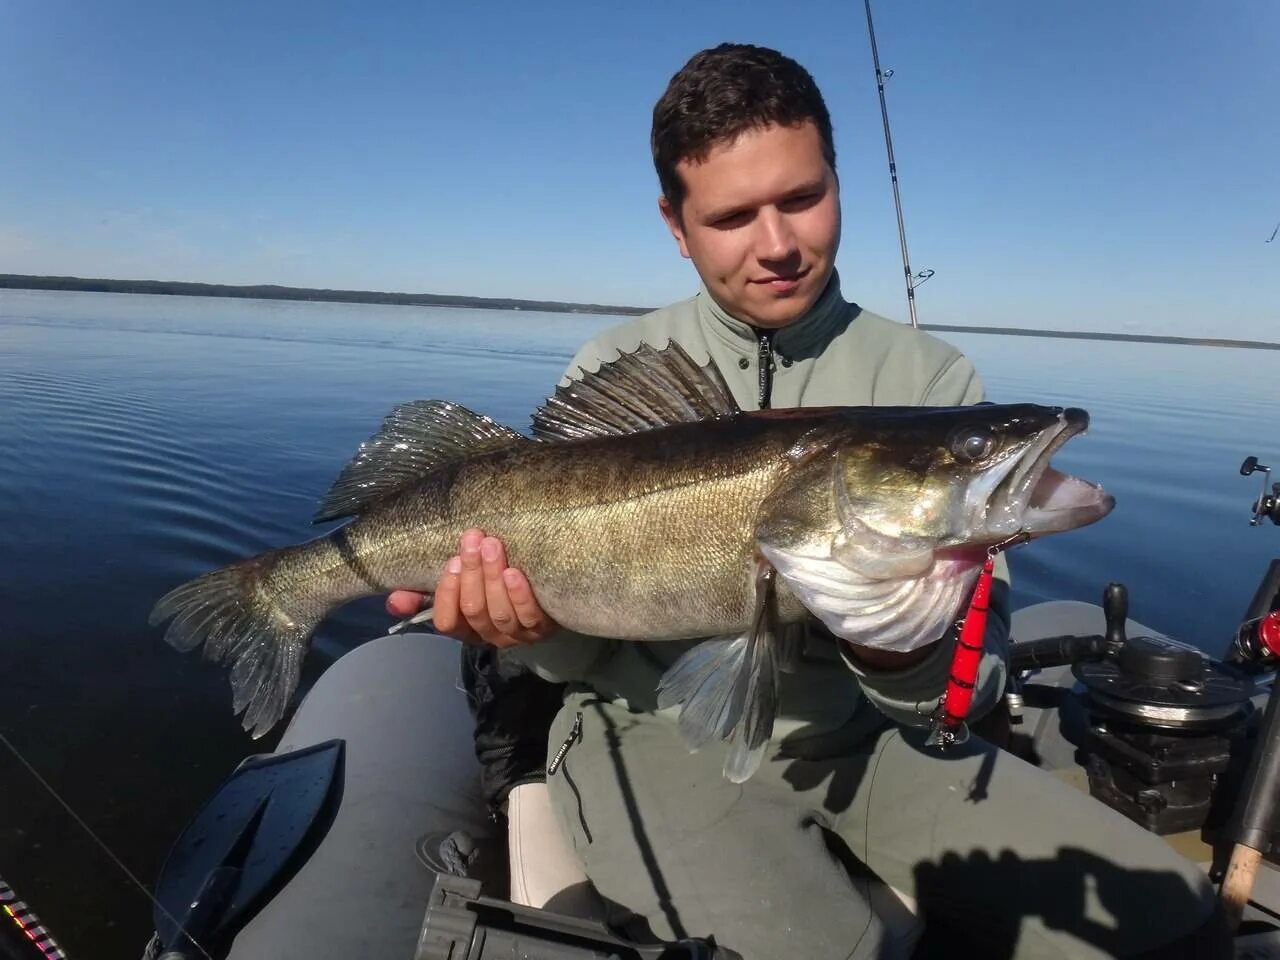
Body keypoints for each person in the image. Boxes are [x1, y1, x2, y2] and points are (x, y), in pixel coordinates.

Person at [391, 43, 1229, 959]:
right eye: (732, 215)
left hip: (869, 742)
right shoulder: (610, 374)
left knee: (1175, 924)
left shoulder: (932, 381)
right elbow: (580, 651)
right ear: (676, 225)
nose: (779, 243)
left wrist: (894, 647)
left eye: (802, 198)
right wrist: (524, 631)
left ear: (838, 179)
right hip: (650, 735)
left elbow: (971, 682)